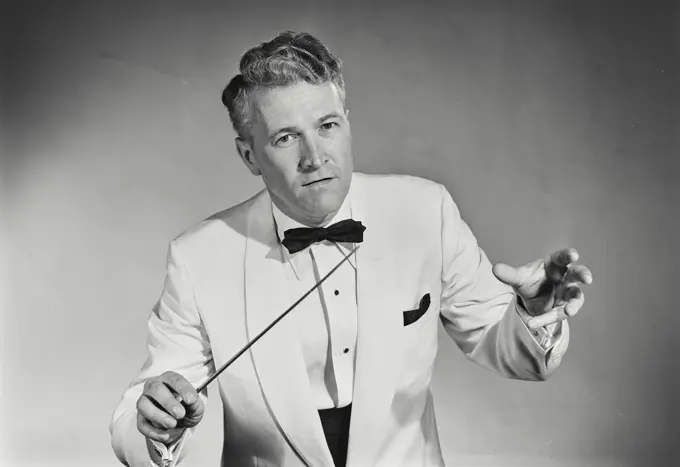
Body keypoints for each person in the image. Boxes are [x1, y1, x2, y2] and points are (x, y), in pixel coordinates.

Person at [109, 31, 593, 467]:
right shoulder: (199, 257)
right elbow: (142, 414)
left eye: (326, 126)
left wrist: (531, 313)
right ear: (249, 155)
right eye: (284, 138)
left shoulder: (425, 211)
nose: (314, 156)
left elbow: (504, 345)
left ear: (347, 122)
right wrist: (158, 421)